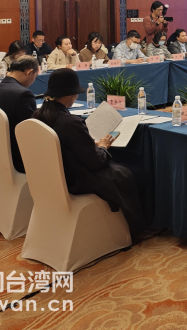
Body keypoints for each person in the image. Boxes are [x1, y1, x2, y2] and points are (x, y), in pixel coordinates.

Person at [32, 68, 150, 243]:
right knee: (137, 174)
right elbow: (95, 162)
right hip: (78, 179)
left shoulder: (38, 116)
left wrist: (88, 143)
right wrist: (102, 147)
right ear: (70, 95)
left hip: (53, 177)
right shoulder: (71, 122)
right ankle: (139, 227)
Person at [0, 56, 39, 173]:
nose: (33, 81)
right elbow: (32, 130)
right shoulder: (23, 94)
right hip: (19, 158)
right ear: (29, 72)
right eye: (35, 76)